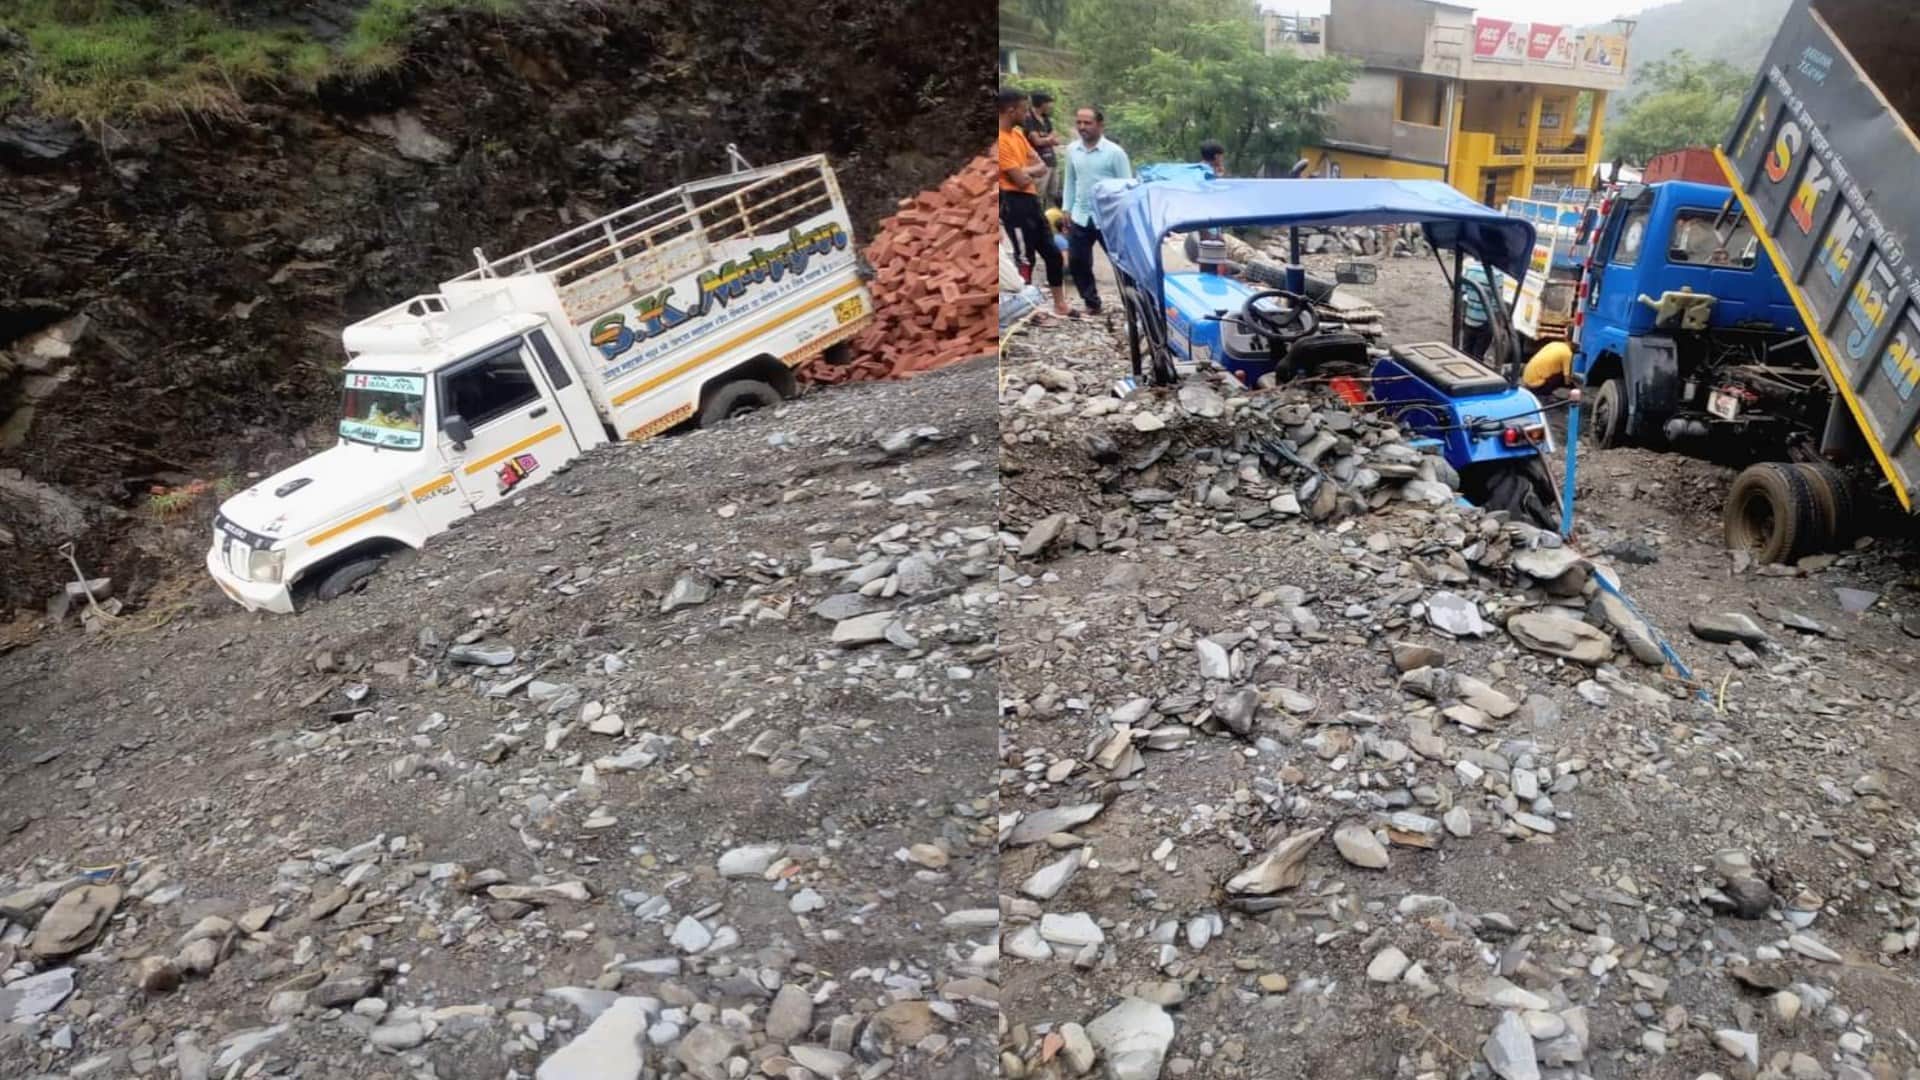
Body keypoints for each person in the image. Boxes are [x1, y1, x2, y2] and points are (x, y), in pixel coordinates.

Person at [998, 88, 1070, 317]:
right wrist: (1029, 171)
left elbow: (1040, 164)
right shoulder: (1000, 140)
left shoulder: (1017, 134)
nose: (1026, 114)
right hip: (1013, 203)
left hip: (1031, 201)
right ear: (1011, 110)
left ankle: (1060, 304)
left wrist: (1026, 171)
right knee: (1024, 257)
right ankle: (1029, 311)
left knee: (1052, 253)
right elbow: (1018, 180)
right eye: (1022, 109)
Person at [1059, 105, 1131, 315]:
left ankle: (1132, 304)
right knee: (1077, 261)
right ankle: (1091, 302)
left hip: (1108, 217)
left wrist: (1123, 218)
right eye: (1079, 123)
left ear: (1100, 125)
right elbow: (1070, 181)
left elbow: (1127, 186)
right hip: (1081, 214)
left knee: (1122, 264)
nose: (1082, 127)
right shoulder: (1073, 150)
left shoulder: (1115, 153)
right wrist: (1066, 208)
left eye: (1087, 123)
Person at [1023, 91, 1061, 205]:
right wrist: (1049, 139)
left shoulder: (1045, 118)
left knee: (1053, 194)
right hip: (1038, 163)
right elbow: (1037, 142)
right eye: (1049, 103)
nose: (1051, 106)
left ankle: (1051, 219)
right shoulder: (1029, 118)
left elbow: (1057, 140)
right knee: (1038, 195)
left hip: (1051, 161)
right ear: (1042, 103)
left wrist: (1046, 139)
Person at [1459, 259, 1495, 360]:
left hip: (1470, 318)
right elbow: (1496, 305)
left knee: (1465, 353)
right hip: (1485, 322)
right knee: (1478, 356)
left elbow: (1462, 291)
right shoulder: (1496, 274)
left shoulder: (1470, 270)